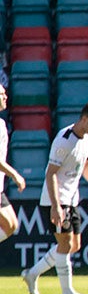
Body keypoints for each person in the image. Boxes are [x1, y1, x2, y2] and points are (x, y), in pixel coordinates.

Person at [20, 100, 88, 294]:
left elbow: (85, 164)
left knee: (73, 245)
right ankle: (67, 293)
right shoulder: (64, 139)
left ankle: (32, 273)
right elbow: (50, 174)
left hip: (71, 198)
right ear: (84, 119)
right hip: (55, 200)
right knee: (66, 243)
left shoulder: (87, 138)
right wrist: (55, 206)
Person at [0, 85, 26, 245]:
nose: (5, 97)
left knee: (11, 225)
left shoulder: (1, 123)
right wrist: (14, 174)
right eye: (1, 94)